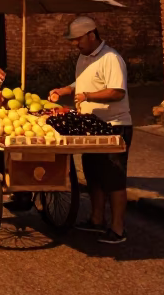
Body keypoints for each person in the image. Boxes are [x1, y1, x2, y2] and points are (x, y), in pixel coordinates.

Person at [48, 15, 132, 244]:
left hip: (114, 127)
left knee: (114, 178)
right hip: (91, 126)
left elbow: (117, 92)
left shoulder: (111, 58)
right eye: (73, 40)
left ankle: (117, 229)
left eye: (78, 39)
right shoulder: (84, 58)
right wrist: (65, 90)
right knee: (94, 175)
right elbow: (81, 82)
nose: (75, 44)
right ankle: (96, 220)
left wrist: (89, 96)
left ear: (92, 35)